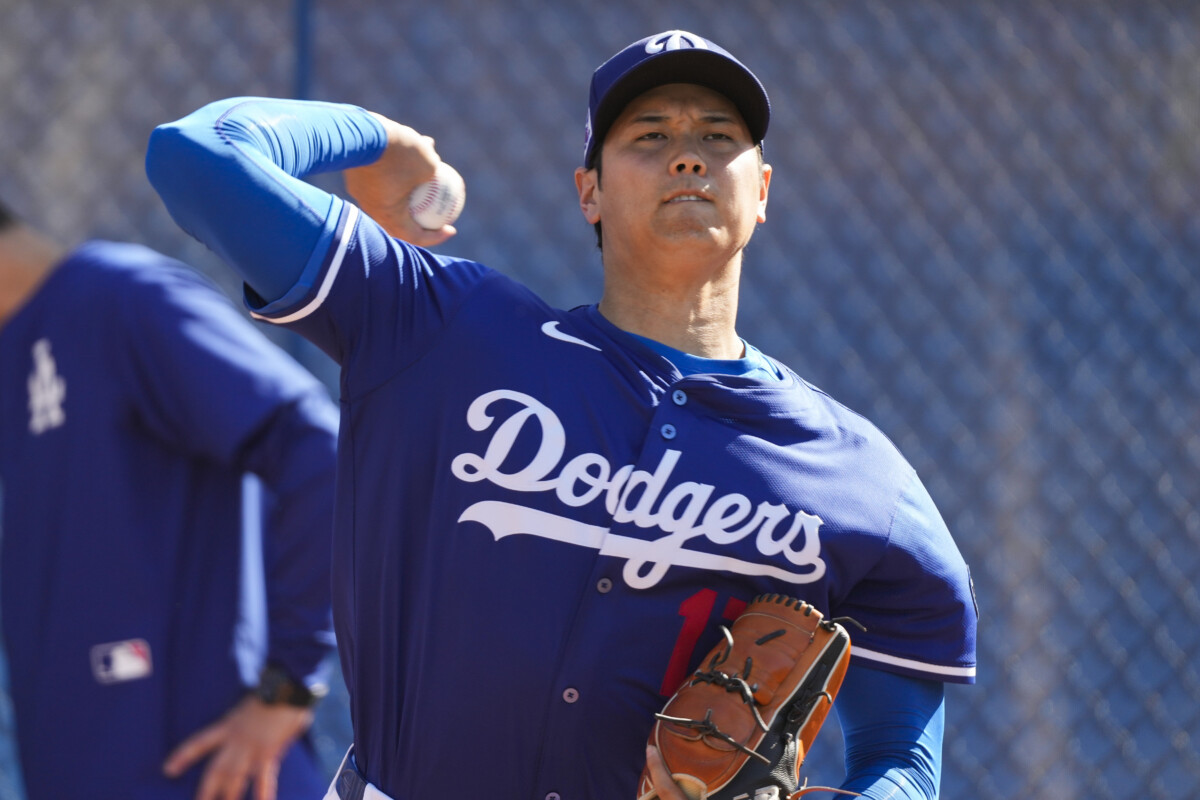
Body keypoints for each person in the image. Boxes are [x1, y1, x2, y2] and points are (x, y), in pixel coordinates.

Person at [145, 29, 978, 800]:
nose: (686, 155)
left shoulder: (860, 481)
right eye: (648, 136)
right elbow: (198, 156)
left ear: (761, 192)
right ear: (589, 193)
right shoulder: (440, 329)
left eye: (717, 137)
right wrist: (385, 139)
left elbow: (902, 757)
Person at [0, 197, 341, 800]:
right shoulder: (18, 349)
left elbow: (321, 451)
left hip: (212, 772)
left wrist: (289, 685)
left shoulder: (118, 298)